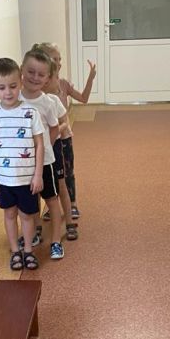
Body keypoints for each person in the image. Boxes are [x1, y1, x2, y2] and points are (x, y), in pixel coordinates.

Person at [0, 57, 45, 270]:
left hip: (26, 178)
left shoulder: (30, 113)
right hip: (3, 179)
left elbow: (39, 144)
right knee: (9, 214)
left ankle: (28, 250)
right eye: (1, 88)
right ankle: (15, 250)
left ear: (21, 82)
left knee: (27, 215)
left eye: (13, 86)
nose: (8, 92)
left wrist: (38, 175)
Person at [36, 41, 96, 221]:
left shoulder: (62, 84)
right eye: (54, 59)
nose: (59, 63)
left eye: (59, 59)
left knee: (67, 172)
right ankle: (51, 205)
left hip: (64, 138)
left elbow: (83, 98)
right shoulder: (39, 87)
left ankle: (73, 203)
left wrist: (91, 78)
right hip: (47, 140)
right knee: (50, 173)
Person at [20, 48, 68, 260]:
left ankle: (56, 240)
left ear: (48, 78)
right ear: (21, 70)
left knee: (51, 201)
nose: (35, 77)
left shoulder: (47, 102)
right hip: (23, 163)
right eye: (30, 72)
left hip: (46, 162)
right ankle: (33, 233)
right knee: (28, 203)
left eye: (41, 74)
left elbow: (55, 128)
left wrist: (45, 147)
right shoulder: (15, 98)